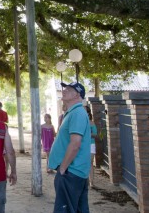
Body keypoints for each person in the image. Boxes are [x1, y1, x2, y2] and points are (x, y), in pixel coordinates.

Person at [48, 82, 91, 213]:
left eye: (69, 89)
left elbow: (75, 144)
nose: (64, 90)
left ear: (77, 94)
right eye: (64, 88)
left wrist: (62, 169)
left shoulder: (77, 113)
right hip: (73, 172)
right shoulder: (73, 112)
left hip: (70, 173)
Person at [85, 106, 98, 188]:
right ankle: (84, 181)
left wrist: (88, 134)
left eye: (85, 111)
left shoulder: (91, 123)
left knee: (90, 163)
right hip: (82, 145)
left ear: (88, 113)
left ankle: (91, 182)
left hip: (91, 144)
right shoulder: (80, 122)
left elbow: (95, 134)